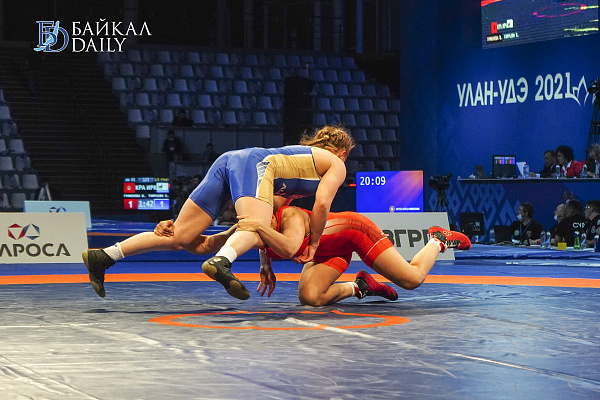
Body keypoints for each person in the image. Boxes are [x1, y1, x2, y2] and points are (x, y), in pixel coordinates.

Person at [82, 125, 354, 300]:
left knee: (182, 237)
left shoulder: (300, 166)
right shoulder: (336, 164)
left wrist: (265, 263)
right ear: (342, 153)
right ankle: (222, 261)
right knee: (251, 226)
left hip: (229, 161)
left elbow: (266, 218)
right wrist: (314, 243)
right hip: (255, 163)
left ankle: (104, 256)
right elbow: (321, 205)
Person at [155, 206, 472, 306]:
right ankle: (360, 286)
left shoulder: (290, 216)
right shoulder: (250, 228)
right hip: (326, 254)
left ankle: (437, 240)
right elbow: (207, 246)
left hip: (353, 231)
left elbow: (290, 247)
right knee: (310, 297)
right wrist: (177, 233)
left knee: (412, 279)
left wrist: (264, 248)